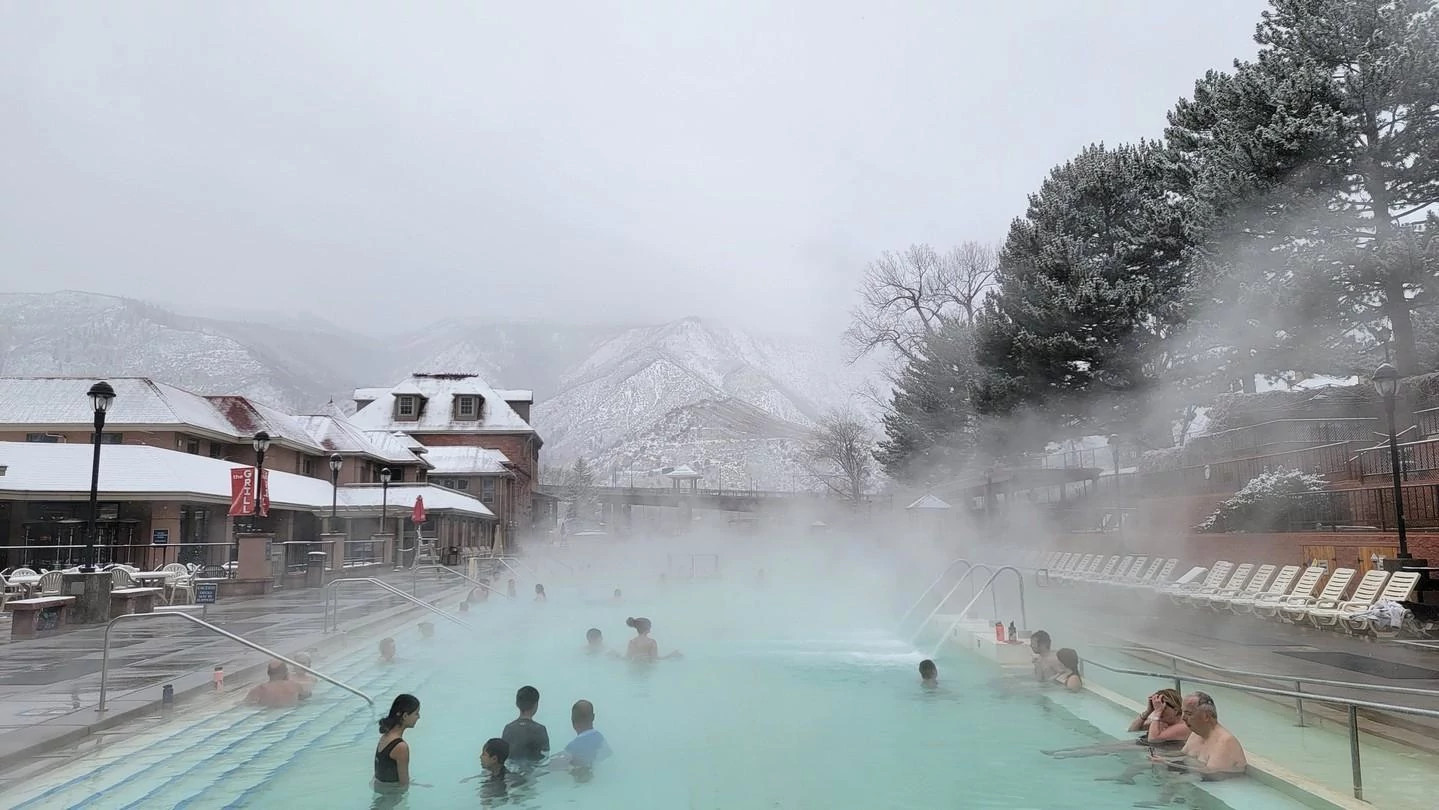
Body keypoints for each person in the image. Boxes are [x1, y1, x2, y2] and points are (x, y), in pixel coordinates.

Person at [1045, 688, 1187, 759]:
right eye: (1158, 708)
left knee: (1111, 749)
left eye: (1163, 709)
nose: (1160, 712)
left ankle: (1066, 756)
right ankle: (1063, 752)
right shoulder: (1161, 721)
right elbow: (1133, 730)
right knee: (1104, 746)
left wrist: (1156, 714)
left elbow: (1154, 740)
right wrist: (1148, 711)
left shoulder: (1183, 726)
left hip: (1163, 750)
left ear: (1176, 709)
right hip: (1146, 744)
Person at [375, 694, 421, 788]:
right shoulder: (401, 747)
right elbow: (404, 784)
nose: (418, 717)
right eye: (416, 713)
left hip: (381, 791)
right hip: (392, 798)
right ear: (405, 716)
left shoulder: (385, 736)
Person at [556, 699, 610, 768]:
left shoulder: (573, 747)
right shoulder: (600, 738)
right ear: (593, 717)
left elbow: (558, 765)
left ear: (572, 719)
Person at [502, 685, 551, 762]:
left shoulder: (508, 728)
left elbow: (503, 756)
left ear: (517, 704)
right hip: (533, 771)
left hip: (512, 770)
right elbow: (545, 757)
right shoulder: (540, 729)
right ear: (536, 705)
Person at [245, 660, 309, 708]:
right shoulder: (295, 686)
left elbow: (246, 704)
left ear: (268, 673)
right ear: (285, 672)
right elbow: (305, 697)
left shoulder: (260, 689)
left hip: (270, 715)